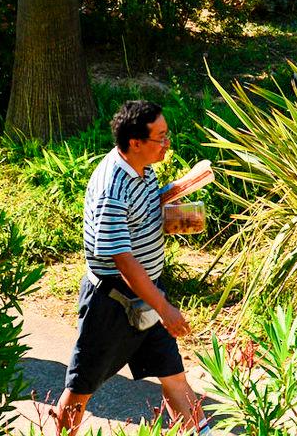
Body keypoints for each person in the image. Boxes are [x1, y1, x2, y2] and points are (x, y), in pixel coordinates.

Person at [55, 100, 206, 431]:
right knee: (80, 390)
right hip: (111, 303)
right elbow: (122, 260)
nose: (168, 143)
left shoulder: (144, 169)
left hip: (148, 293)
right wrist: (164, 308)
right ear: (135, 142)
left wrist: (175, 216)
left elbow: (140, 221)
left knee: (174, 378)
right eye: (161, 137)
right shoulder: (112, 186)